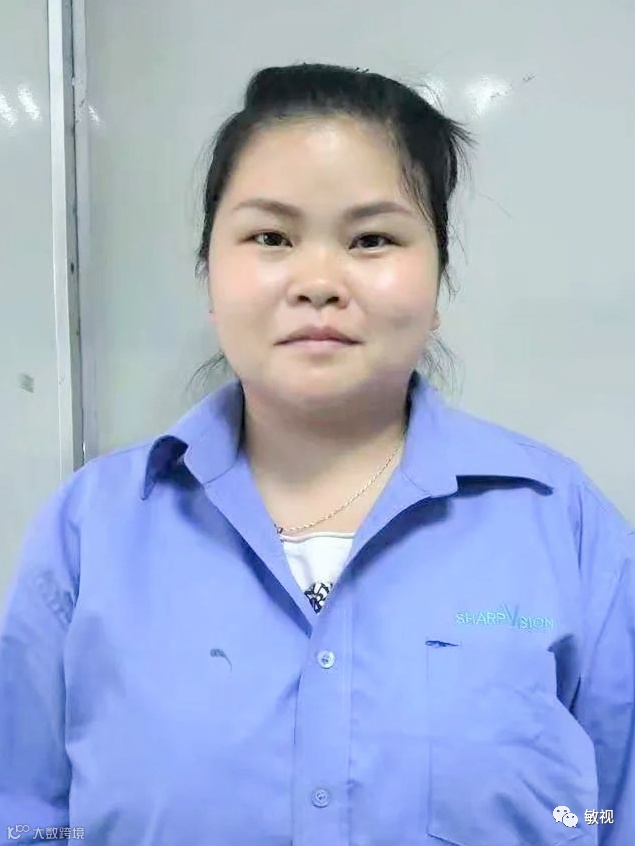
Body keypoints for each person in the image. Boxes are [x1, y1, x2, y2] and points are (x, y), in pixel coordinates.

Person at [0, 62, 632, 846]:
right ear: (209, 275)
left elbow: (614, 814)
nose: (319, 281)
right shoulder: (92, 529)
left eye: (372, 239)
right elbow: (26, 817)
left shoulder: (558, 524)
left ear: (437, 281)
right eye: (270, 237)